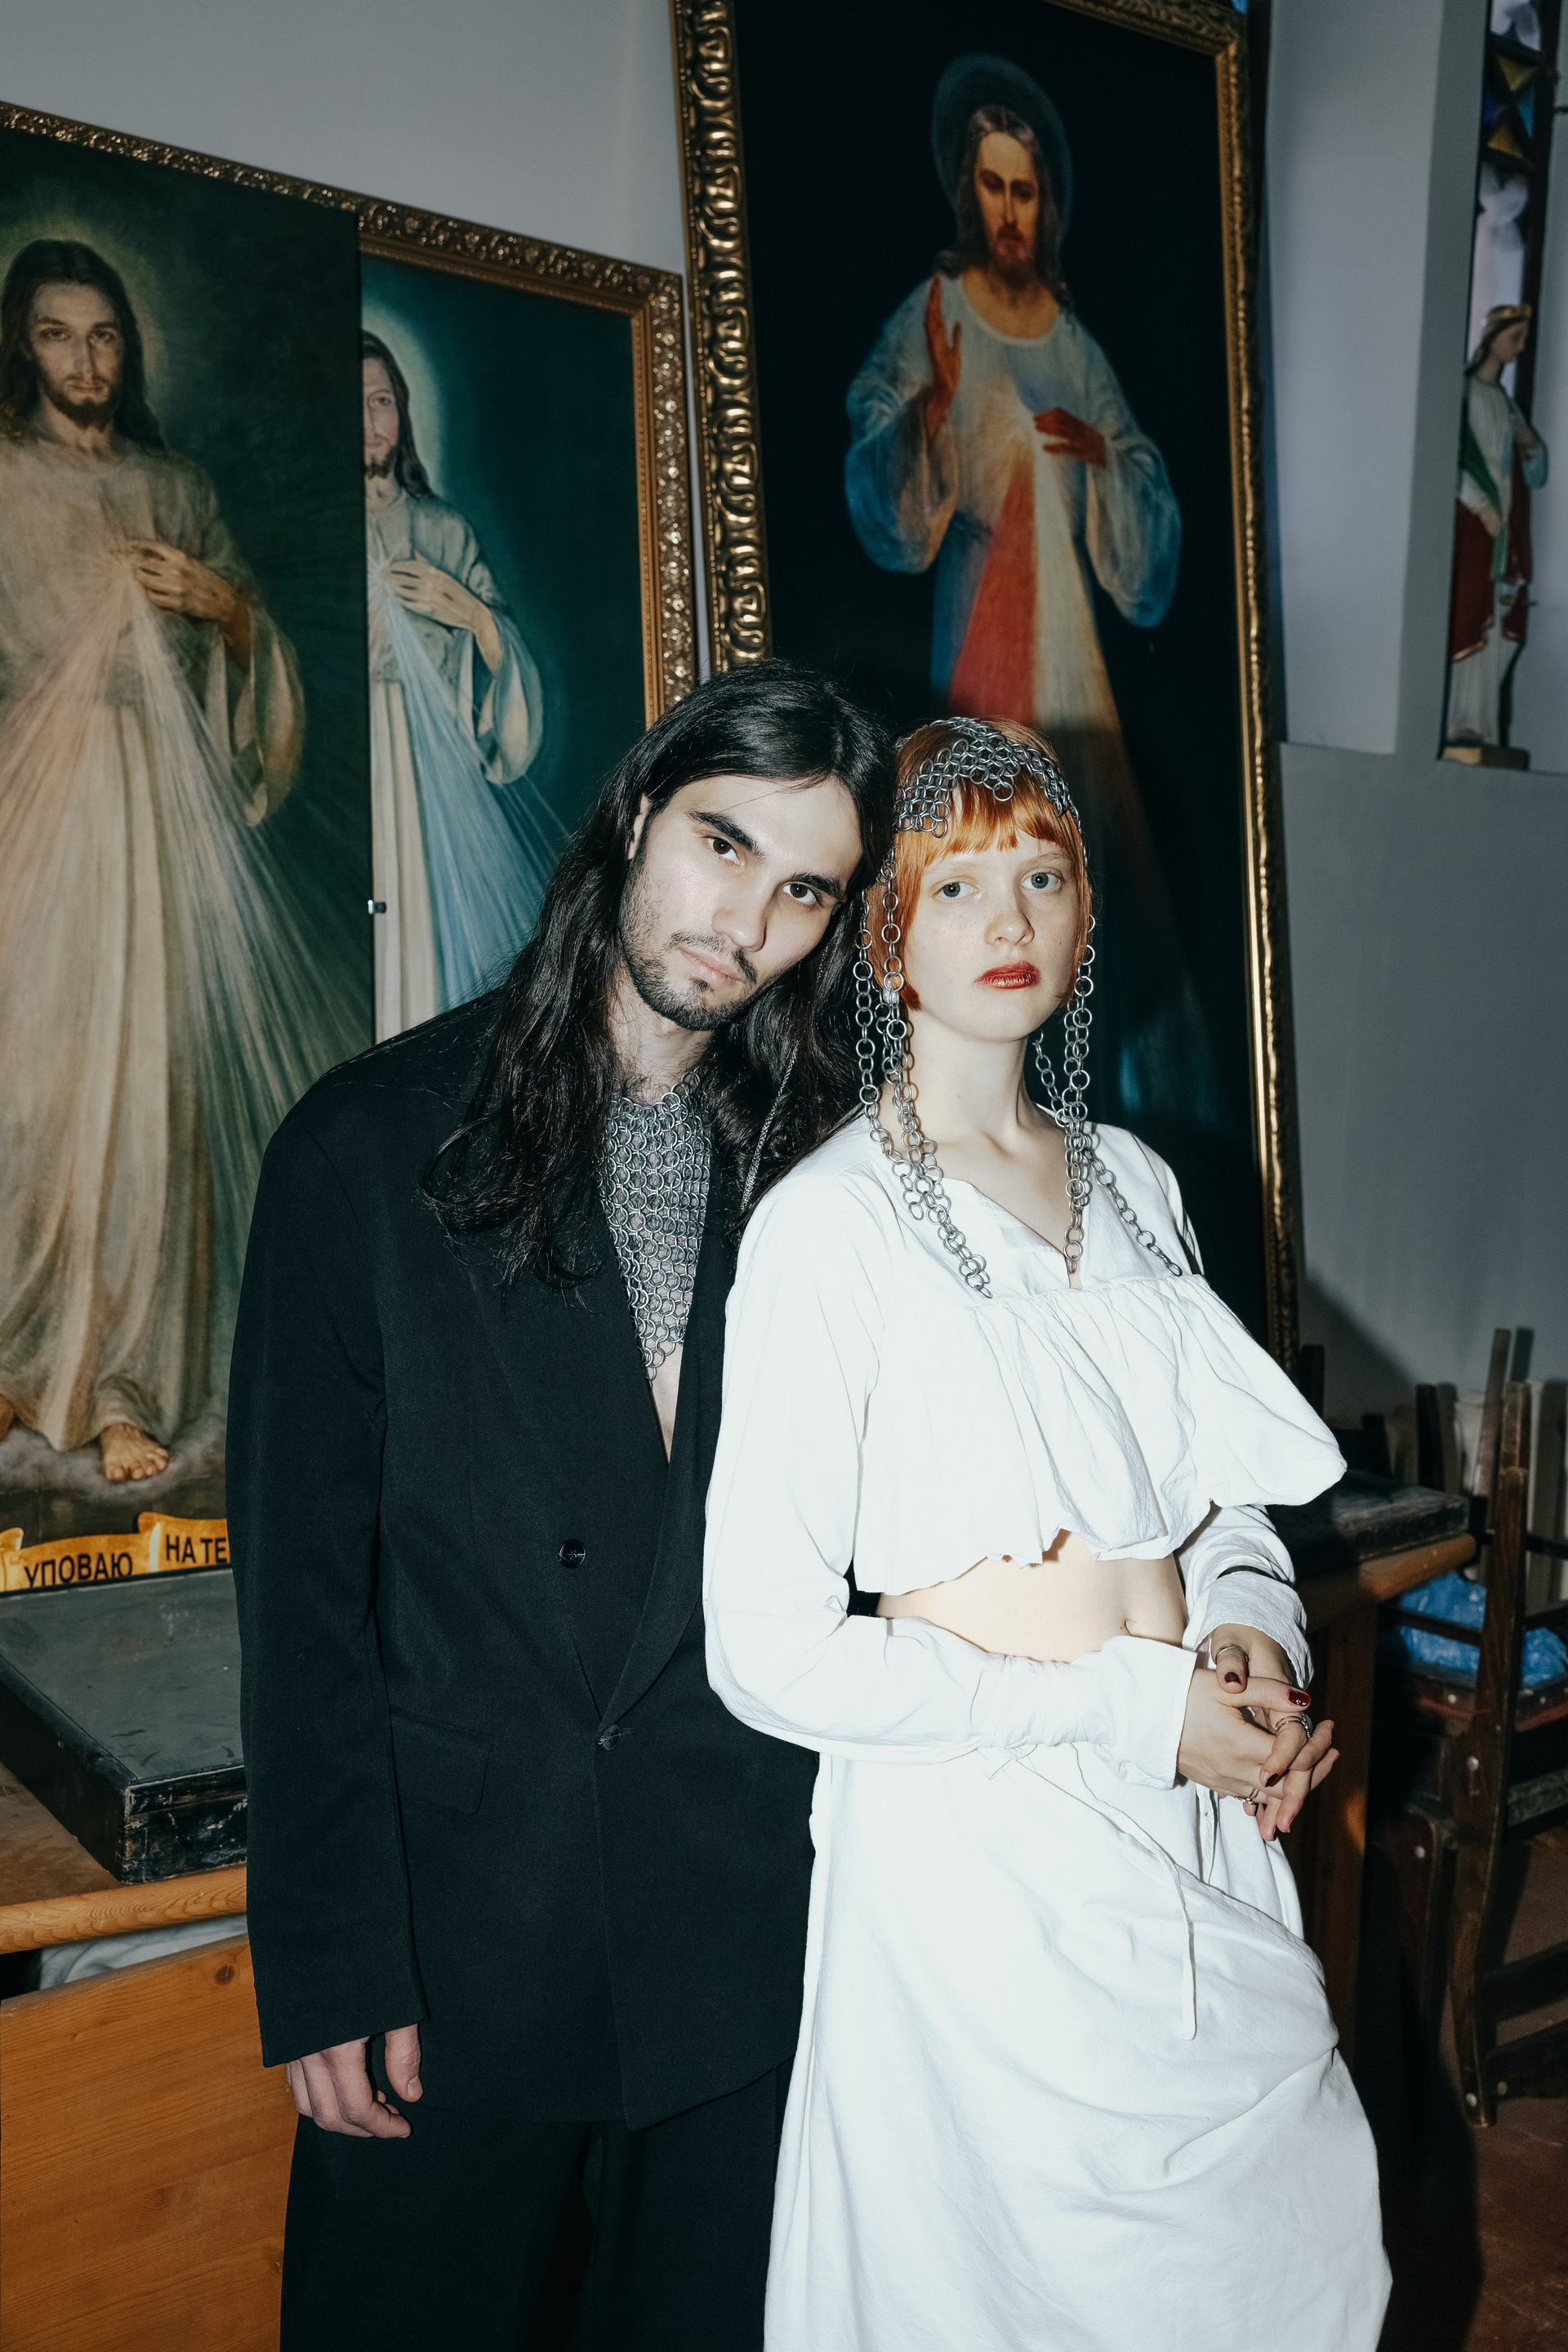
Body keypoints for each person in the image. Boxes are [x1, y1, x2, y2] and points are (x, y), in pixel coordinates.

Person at [228, 661, 894, 2350]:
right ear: (636, 814)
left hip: (742, 1941)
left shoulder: (831, 1184)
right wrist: (332, 1957)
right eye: (724, 845)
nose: (747, 922)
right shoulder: (363, 1148)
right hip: (459, 1946)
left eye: (807, 889)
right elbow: (300, 1607)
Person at [704, 715, 1392, 2350]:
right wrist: (1131, 1707)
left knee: (1276, 2276)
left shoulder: (1138, 1185)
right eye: (956, 885)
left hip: (1191, 1814)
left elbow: (1217, 1501)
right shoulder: (825, 1229)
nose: (1007, 919)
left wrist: (1250, 1630)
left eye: (1043, 876)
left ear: (1086, 918)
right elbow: (766, 1653)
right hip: (980, 1860)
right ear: (887, 931)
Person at [0, 239, 332, 1488]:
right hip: (26, 814)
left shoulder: (176, 488)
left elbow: (258, 668)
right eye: (56, 333)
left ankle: (124, 1385)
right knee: (29, 1087)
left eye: (103, 336)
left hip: (150, 820)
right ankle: (18, 1361)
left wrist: (222, 606)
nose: (84, 360)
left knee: (148, 1097)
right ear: (21, 342)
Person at [845, 53, 1217, 1127]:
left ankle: (1082, 1097)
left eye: (1026, 189)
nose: (1011, 210)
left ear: (1046, 201)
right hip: (975, 623)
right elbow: (878, 456)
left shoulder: (1071, 337)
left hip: (1070, 646)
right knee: (971, 847)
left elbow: (1137, 470)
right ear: (969, 193)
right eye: (994, 187)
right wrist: (930, 411)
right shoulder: (936, 309)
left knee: (1071, 857)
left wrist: (1101, 454)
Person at [362, 330, 559, 1036]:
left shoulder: (444, 531)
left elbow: (508, 657)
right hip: (358, 756)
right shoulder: (323, 529)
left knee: (432, 927)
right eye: (354, 404)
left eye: (382, 400)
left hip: (435, 767)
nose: (370, 420)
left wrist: (470, 612)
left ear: (403, 411)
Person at [1445, 302, 1549, 759]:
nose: (1520, 348)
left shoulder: (1507, 406)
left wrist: (1533, 447)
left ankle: (1485, 728)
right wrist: (1480, 505)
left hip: (1505, 530)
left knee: (1501, 621)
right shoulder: (1462, 394)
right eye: (1515, 338)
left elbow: (1537, 475)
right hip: (1473, 525)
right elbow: (1450, 458)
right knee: (1472, 617)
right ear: (1492, 339)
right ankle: (1462, 723)